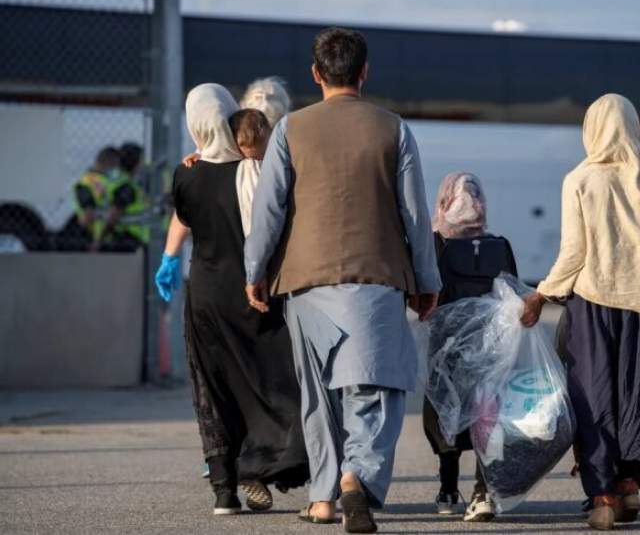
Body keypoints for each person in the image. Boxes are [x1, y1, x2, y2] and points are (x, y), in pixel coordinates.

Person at [244, 27, 441, 533]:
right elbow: (415, 215)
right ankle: (358, 476)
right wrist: (426, 278)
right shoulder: (394, 129)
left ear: (316, 74)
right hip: (376, 277)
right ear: (365, 72)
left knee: (318, 394)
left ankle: (324, 498)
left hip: (305, 282)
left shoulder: (290, 129)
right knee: (373, 388)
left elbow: (269, 211)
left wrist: (256, 271)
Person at [520, 94, 640, 530]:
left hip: (594, 308)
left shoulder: (580, 180)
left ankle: (603, 494)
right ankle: (629, 488)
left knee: (595, 399)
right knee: (638, 396)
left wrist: (540, 295)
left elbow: (573, 254)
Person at [155, 83, 309, 516]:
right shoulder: (256, 169)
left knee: (213, 386)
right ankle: (264, 467)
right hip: (255, 291)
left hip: (204, 294)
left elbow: (184, 217)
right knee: (264, 380)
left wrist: (168, 259)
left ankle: (224, 489)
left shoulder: (185, 173)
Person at [422, 172, 517, 522]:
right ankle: (483, 491)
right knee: (485, 416)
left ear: (445, 202)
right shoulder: (500, 245)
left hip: (445, 350)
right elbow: (512, 292)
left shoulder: (437, 244)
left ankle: (448, 489)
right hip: (490, 349)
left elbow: (424, 290)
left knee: (447, 411)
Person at [100, 142, 150, 252]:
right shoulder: (126, 187)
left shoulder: (118, 180)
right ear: (135, 163)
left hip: (129, 240)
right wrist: (99, 241)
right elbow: (113, 216)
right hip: (129, 241)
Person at [72, 146, 118, 250]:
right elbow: (87, 217)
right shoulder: (85, 184)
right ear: (108, 163)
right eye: (115, 166)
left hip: (107, 238)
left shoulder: (107, 181)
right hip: (95, 240)